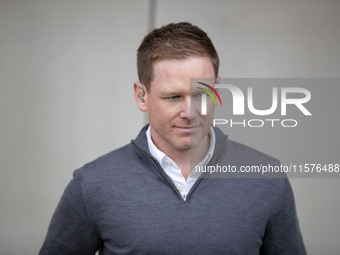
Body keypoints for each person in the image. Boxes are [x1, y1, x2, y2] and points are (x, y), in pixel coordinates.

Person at [40, 22, 306, 255]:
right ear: (141, 96)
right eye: (173, 97)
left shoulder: (267, 179)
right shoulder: (91, 186)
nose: (190, 113)